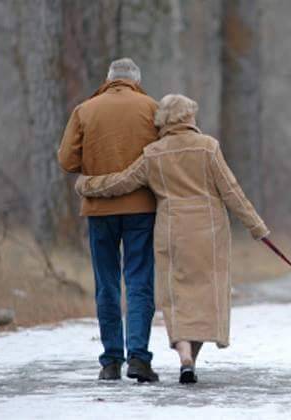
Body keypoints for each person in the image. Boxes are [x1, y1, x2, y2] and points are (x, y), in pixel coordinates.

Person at [75, 94, 269, 384]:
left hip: (171, 231)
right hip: (210, 233)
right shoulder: (208, 148)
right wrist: (257, 228)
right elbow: (231, 191)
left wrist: (87, 184)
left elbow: (122, 182)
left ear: (162, 121)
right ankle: (192, 359)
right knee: (205, 296)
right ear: (190, 117)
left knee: (176, 298)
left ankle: (184, 357)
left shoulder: (154, 153)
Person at [58, 58, 160, 383]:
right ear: (136, 81)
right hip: (141, 209)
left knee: (107, 284)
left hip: (99, 209)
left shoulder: (85, 109)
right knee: (140, 281)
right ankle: (139, 359)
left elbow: (66, 160)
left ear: (108, 80)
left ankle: (110, 362)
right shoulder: (151, 108)